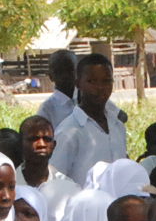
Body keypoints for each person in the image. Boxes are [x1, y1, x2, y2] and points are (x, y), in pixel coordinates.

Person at [50, 53, 129, 183]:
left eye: (106, 81)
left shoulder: (117, 126)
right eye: (92, 81)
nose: (100, 88)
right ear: (78, 84)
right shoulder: (69, 131)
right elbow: (55, 180)